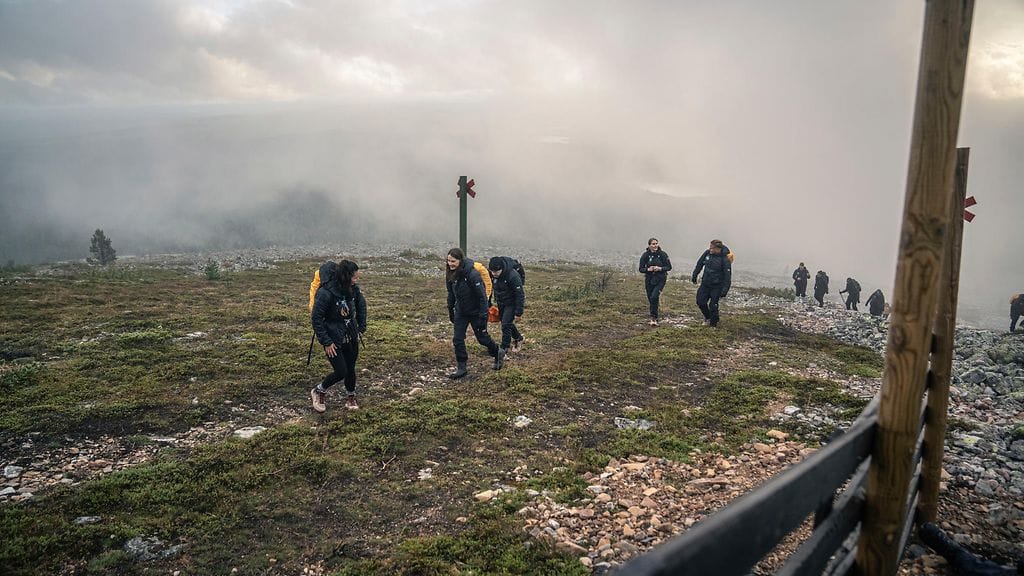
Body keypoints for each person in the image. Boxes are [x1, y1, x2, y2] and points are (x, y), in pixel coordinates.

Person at [310, 260, 366, 412]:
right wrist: (326, 342)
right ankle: (319, 390)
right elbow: (316, 318)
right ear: (346, 276)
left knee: (351, 368)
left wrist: (361, 326)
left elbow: (361, 305)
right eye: (354, 277)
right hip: (333, 338)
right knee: (341, 371)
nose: (356, 280)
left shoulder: (353, 289)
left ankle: (351, 396)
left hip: (351, 335)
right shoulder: (325, 293)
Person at [446, 248, 505, 378]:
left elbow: (482, 297)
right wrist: (451, 310)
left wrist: (483, 314)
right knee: (457, 339)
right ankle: (462, 367)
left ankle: (497, 352)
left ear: (460, 261)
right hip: (461, 311)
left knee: (482, 339)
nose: (450, 264)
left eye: (453, 261)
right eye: (449, 261)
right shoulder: (450, 273)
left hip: (476, 312)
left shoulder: (472, 274)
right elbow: (451, 293)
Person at [488, 256, 526, 353]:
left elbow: (520, 294)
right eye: (492, 271)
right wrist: (489, 303)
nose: (494, 274)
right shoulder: (492, 274)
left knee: (505, 325)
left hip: (511, 303)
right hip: (501, 301)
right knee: (506, 322)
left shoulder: (513, 276)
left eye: (496, 272)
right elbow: (489, 287)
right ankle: (518, 338)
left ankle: (504, 348)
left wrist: (518, 312)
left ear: (502, 268)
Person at [691, 239, 732, 327]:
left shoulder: (725, 259)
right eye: (710, 247)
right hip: (705, 283)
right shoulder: (707, 253)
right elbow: (699, 264)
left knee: (713, 305)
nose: (710, 250)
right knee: (700, 301)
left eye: (712, 248)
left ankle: (713, 324)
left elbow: (727, 276)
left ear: (718, 249)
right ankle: (708, 317)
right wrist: (695, 275)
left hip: (717, 286)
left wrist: (725, 290)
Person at [639, 238, 672, 326]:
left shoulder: (663, 254)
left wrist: (660, 268)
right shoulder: (645, 255)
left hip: (660, 278)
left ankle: (654, 318)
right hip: (649, 279)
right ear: (649, 245)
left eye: (656, 243)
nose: (655, 245)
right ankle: (654, 315)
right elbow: (641, 269)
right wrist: (648, 269)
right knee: (651, 298)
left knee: (654, 296)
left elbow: (669, 267)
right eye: (653, 244)